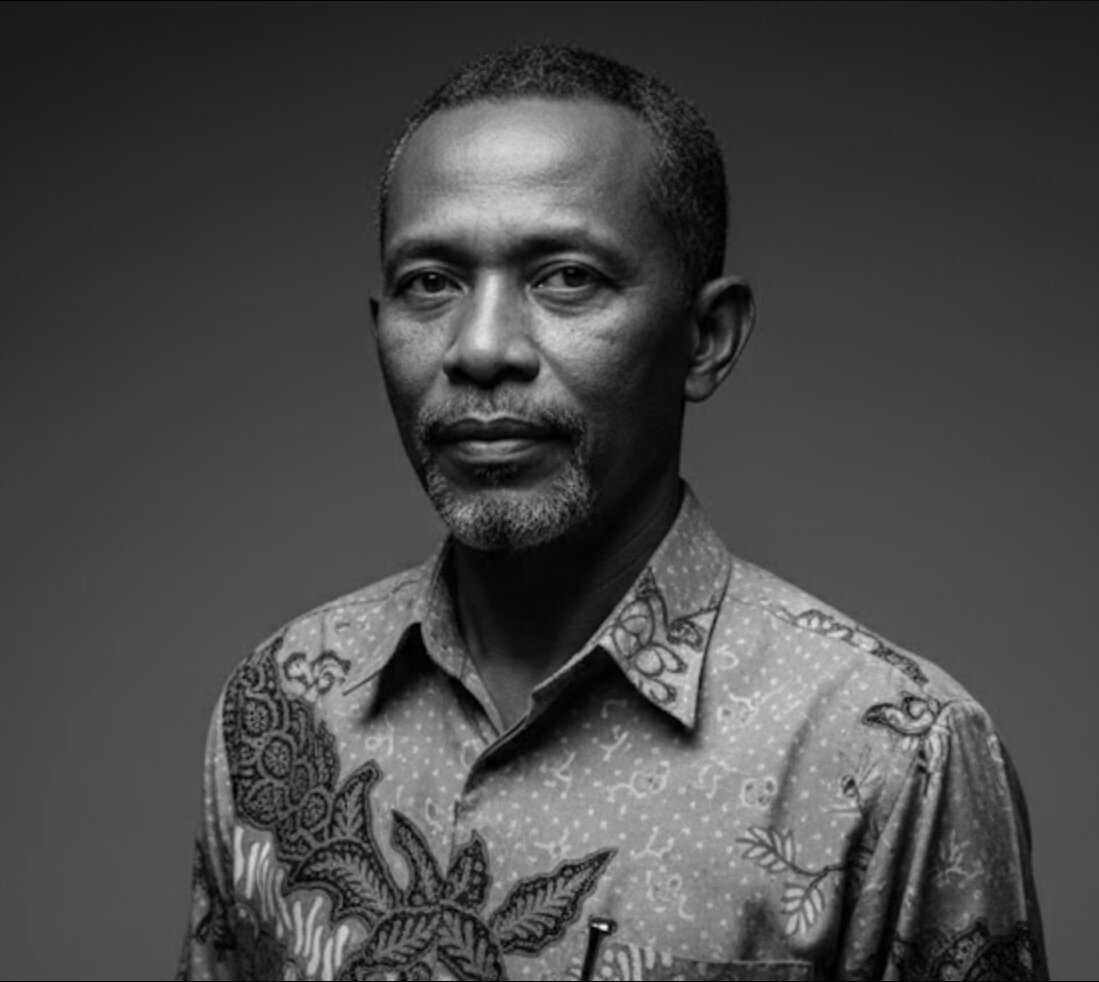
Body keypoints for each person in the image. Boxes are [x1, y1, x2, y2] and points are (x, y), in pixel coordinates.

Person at [178, 45, 1047, 982]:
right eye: (430, 281)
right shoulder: (279, 702)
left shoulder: (895, 753)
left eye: (567, 278)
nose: (478, 349)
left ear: (706, 339)